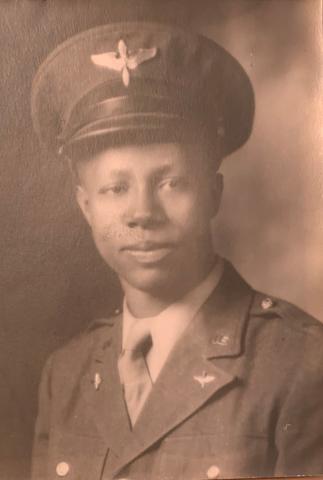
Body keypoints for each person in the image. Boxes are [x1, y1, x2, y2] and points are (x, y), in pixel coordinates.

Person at [30, 21, 323, 480]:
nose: (142, 212)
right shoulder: (65, 375)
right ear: (85, 206)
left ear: (213, 194)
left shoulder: (301, 365)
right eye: (115, 188)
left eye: (171, 182)